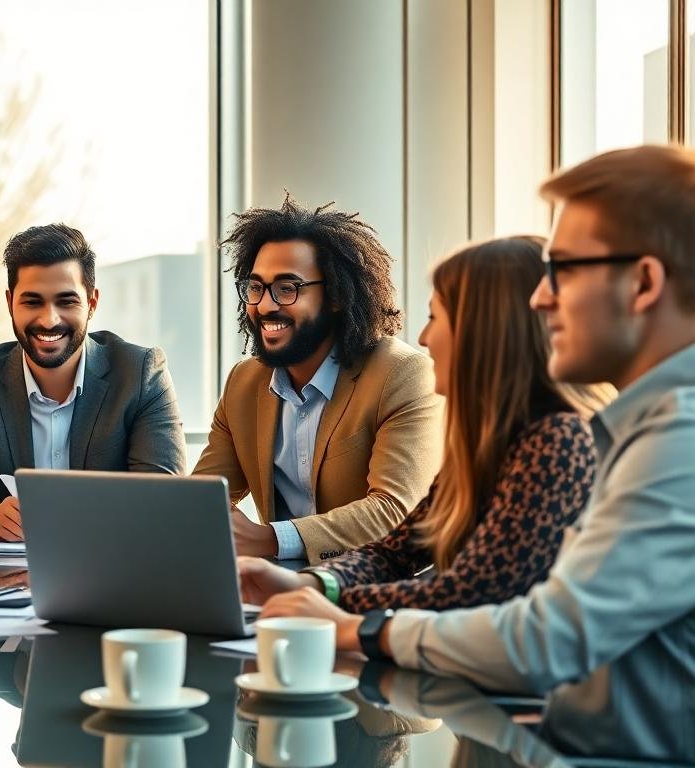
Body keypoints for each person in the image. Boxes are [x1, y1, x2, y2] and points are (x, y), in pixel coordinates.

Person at [262, 146, 695, 764]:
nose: (543, 301)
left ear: (645, 282)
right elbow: (404, 552)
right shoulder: (632, 434)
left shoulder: (668, 438)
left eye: (564, 270)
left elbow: (538, 631)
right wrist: (314, 585)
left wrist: (342, 615)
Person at [237, 237, 598, 612]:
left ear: (485, 332)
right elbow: (394, 553)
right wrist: (308, 584)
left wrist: (334, 612)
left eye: (434, 318)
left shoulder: (558, 442)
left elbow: (471, 592)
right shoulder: (487, 446)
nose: (424, 340)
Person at [194, 194, 443, 562]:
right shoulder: (243, 383)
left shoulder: (401, 374)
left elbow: (395, 511)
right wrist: (209, 520)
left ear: (336, 296)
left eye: (287, 288)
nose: (265, 305)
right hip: (273, 588)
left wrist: (270, 539)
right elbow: (203, 498)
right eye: (257, 287)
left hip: (376, 588)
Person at [0, 223, 186, 541]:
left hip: (113, 575)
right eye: (32, 302)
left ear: (91, 303)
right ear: (10, 303)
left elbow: (165, 499)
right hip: (7, 581)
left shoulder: (141, 373)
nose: (49, 319)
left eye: (66, 301)